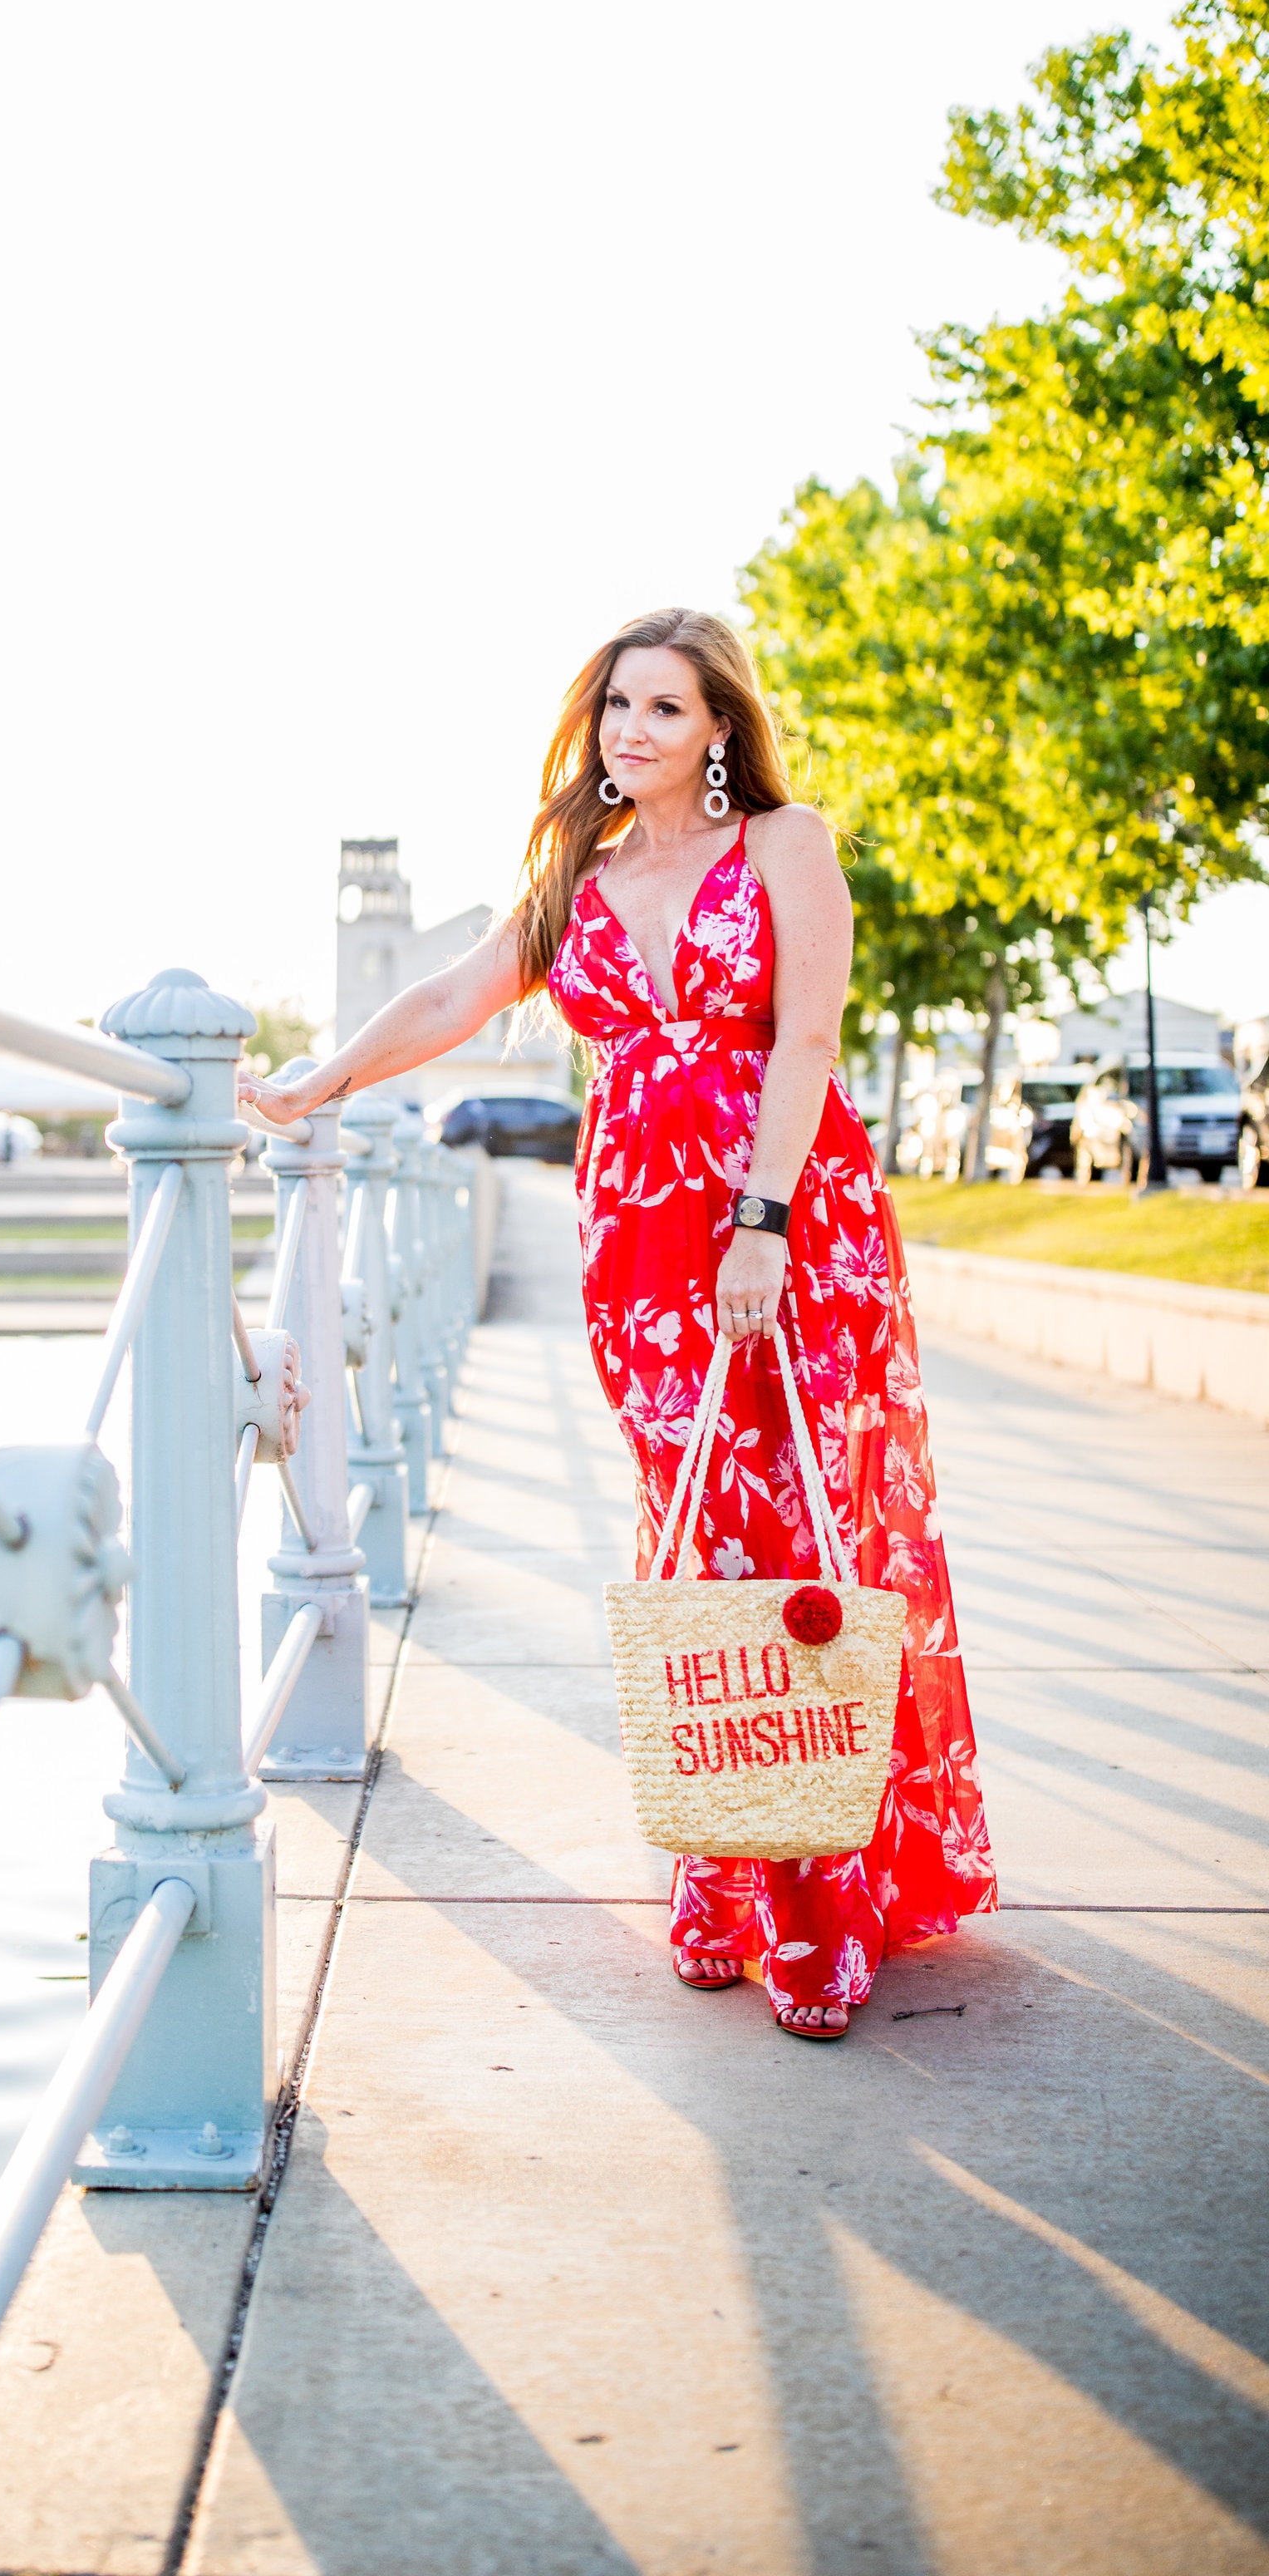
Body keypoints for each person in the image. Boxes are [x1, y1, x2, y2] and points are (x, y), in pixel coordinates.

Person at [239, 605, 996, 2041]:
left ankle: (821, 1910)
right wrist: (317, 1083)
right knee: (693, 1534)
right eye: (616, 708)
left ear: (720, 729)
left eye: (664, 708)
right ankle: (721, 1878)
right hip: (639, 1242)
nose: (631, 732)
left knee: (804, 1531)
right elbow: (456, 995)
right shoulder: (576, 876)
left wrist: (763, 1224)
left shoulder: (787, 847)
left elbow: (813, 1041)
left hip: (784, 1215)